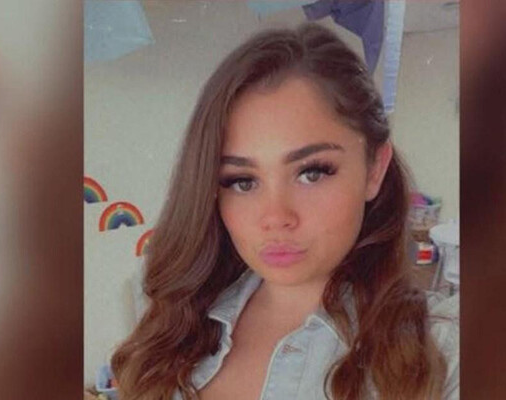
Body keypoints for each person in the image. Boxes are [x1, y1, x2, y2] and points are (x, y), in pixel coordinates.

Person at [111, 23, 459, 400]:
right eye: (242, 181)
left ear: (374, 168)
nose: (275, 217)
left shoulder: (443, 354)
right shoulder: (171, 317)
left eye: (312, 173)